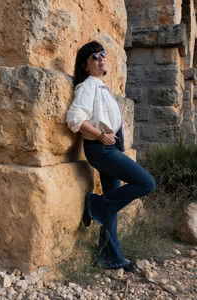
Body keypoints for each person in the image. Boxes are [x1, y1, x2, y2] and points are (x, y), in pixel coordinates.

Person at [66, 41, 156, 272]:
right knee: (147, 182)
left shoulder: (101, 87)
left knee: (111, 206)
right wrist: (100, 136)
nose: (101, 58)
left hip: (110, 149)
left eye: (102, 54)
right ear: (86, 66)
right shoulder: (88, 86)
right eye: (94, 57)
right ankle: (94, 205)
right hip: (101, 149)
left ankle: (111, 258)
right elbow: (74, 118)